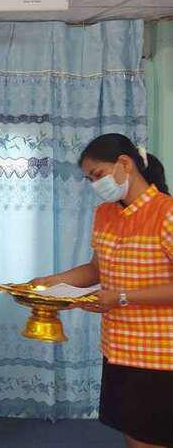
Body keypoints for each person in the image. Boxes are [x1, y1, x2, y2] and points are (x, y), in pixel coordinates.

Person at [31, 134, 172, 448]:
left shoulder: (166, 213)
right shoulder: (105, 214)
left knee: (149, 439)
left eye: (98, 175)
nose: (95, 185)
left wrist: (122, 297)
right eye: (90, 179)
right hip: (117, 347)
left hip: (159, 354)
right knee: (132, 434)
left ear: (125, 163)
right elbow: (97, 269)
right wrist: (50, 283)